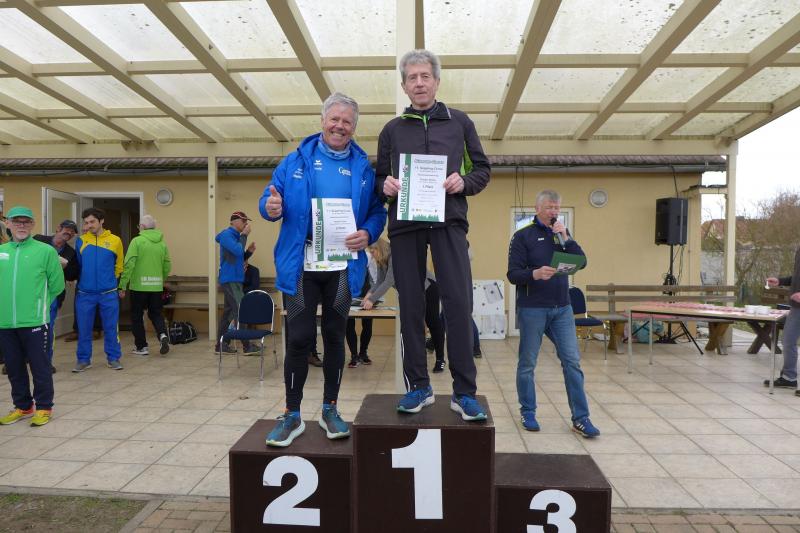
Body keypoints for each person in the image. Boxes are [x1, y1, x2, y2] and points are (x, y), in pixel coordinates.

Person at [260, 92, 386, 447]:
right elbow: (269, 199)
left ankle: (331, 408)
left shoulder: (364, 168)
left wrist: (368, 232)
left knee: (334, 336)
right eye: (335, 119)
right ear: (322, 121)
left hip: (341, 266)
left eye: (347, 122)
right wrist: (270, 207)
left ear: (353, 128)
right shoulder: (294, 161)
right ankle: (292, 414)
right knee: (299, 338)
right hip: (302, 265)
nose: (339, 126)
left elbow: (377, 211)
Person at [376, 49, 490, 420]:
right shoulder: (392, 130)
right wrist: (386, 187)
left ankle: (464, 392)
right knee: (410, 307)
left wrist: (463, 182)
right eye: (412, 77)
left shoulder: (460, 123)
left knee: (458, 303)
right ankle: (419, 387)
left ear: (437, 81)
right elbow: (379, 179)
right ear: (404, 86)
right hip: (405, 227)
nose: (419, 83)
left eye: (425, 76)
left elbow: (482, 171)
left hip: (449, 224)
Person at [506, 190, 599, 438]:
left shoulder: (562, 235)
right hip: (532, 308)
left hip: (562, 309)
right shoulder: (522, 236)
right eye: (549, 207)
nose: (554, 212)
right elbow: (513, 274)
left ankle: (581, 418)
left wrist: (566, 237)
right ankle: (528, 412)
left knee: (572, 362)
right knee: (527, 363)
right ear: (537, 209)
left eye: (557, 208)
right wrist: (534, 274)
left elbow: (582, 261)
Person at [0, 206, 64, 427]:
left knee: (40, 367)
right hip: (5, 322)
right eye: (17, 221)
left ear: (32, 225)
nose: (21, 225)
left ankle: (44, 407)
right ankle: (23, 406)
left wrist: (39, 305)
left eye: (26, 222)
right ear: (8, 224)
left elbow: (57, 285)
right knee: (14, 367)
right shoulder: (2, 252)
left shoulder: (45, 251)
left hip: (35, 322)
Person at [73, 207, 124, 372]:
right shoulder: (81, 241)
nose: (89, 225)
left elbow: (119, 265)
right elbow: (79, 265)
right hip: (85, 294)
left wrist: (111, 281)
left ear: (101, 221)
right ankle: (83, 360)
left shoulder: (115, 240)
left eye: (92, 221)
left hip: (108, 293)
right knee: (83, 329)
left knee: (111, 328)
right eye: (86, 222)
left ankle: (113, 358)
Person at [118, 214, 172, 357]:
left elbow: (129, 264)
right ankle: (162, 335)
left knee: (137, 316)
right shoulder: (162, 244)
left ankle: (142, 347)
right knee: (156, 314)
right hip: (156, 287)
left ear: (142, 226)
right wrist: (161, 279)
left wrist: (122, 285)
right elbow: (167, 265)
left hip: (139, 287)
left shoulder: (137, 241)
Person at [34, 220, 80, 372]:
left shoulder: (70, 252)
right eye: (67, 229)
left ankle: (46, 362)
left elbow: (73, 275)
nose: (69, 232)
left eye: (72, 231)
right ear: (58, 228)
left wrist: (65, 266)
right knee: (23, 328)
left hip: (52, 295)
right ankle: (17, 361)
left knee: (48, 329)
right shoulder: (39, 239)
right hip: (30, 292)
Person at [215, 212, 257, 354]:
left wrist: (248, 253)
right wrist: (244, 235)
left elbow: (238, 257)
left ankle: (221, 345)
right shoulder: (227, 235)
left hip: (235, 279)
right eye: (243, 220)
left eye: (246, 221)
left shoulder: (234, 237)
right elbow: (238, 251)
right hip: (230, 279)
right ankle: (247, 346)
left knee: (229, 314)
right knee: (241, 310)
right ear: (234, 221)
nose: (246, 223)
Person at [346, 238, 390, 368]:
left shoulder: (368, 255)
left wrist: (371, 297)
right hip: (349, 294)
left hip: (365, 293)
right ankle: (354, 355)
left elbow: (376, 279)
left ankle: (363, 353)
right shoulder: (345, 255)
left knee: (367, 324)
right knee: (349, 324)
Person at [763, 248, 800, 392]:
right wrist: (780, 281)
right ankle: (789, 377)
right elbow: (797, 277)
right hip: (796, 306)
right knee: (788, 340)